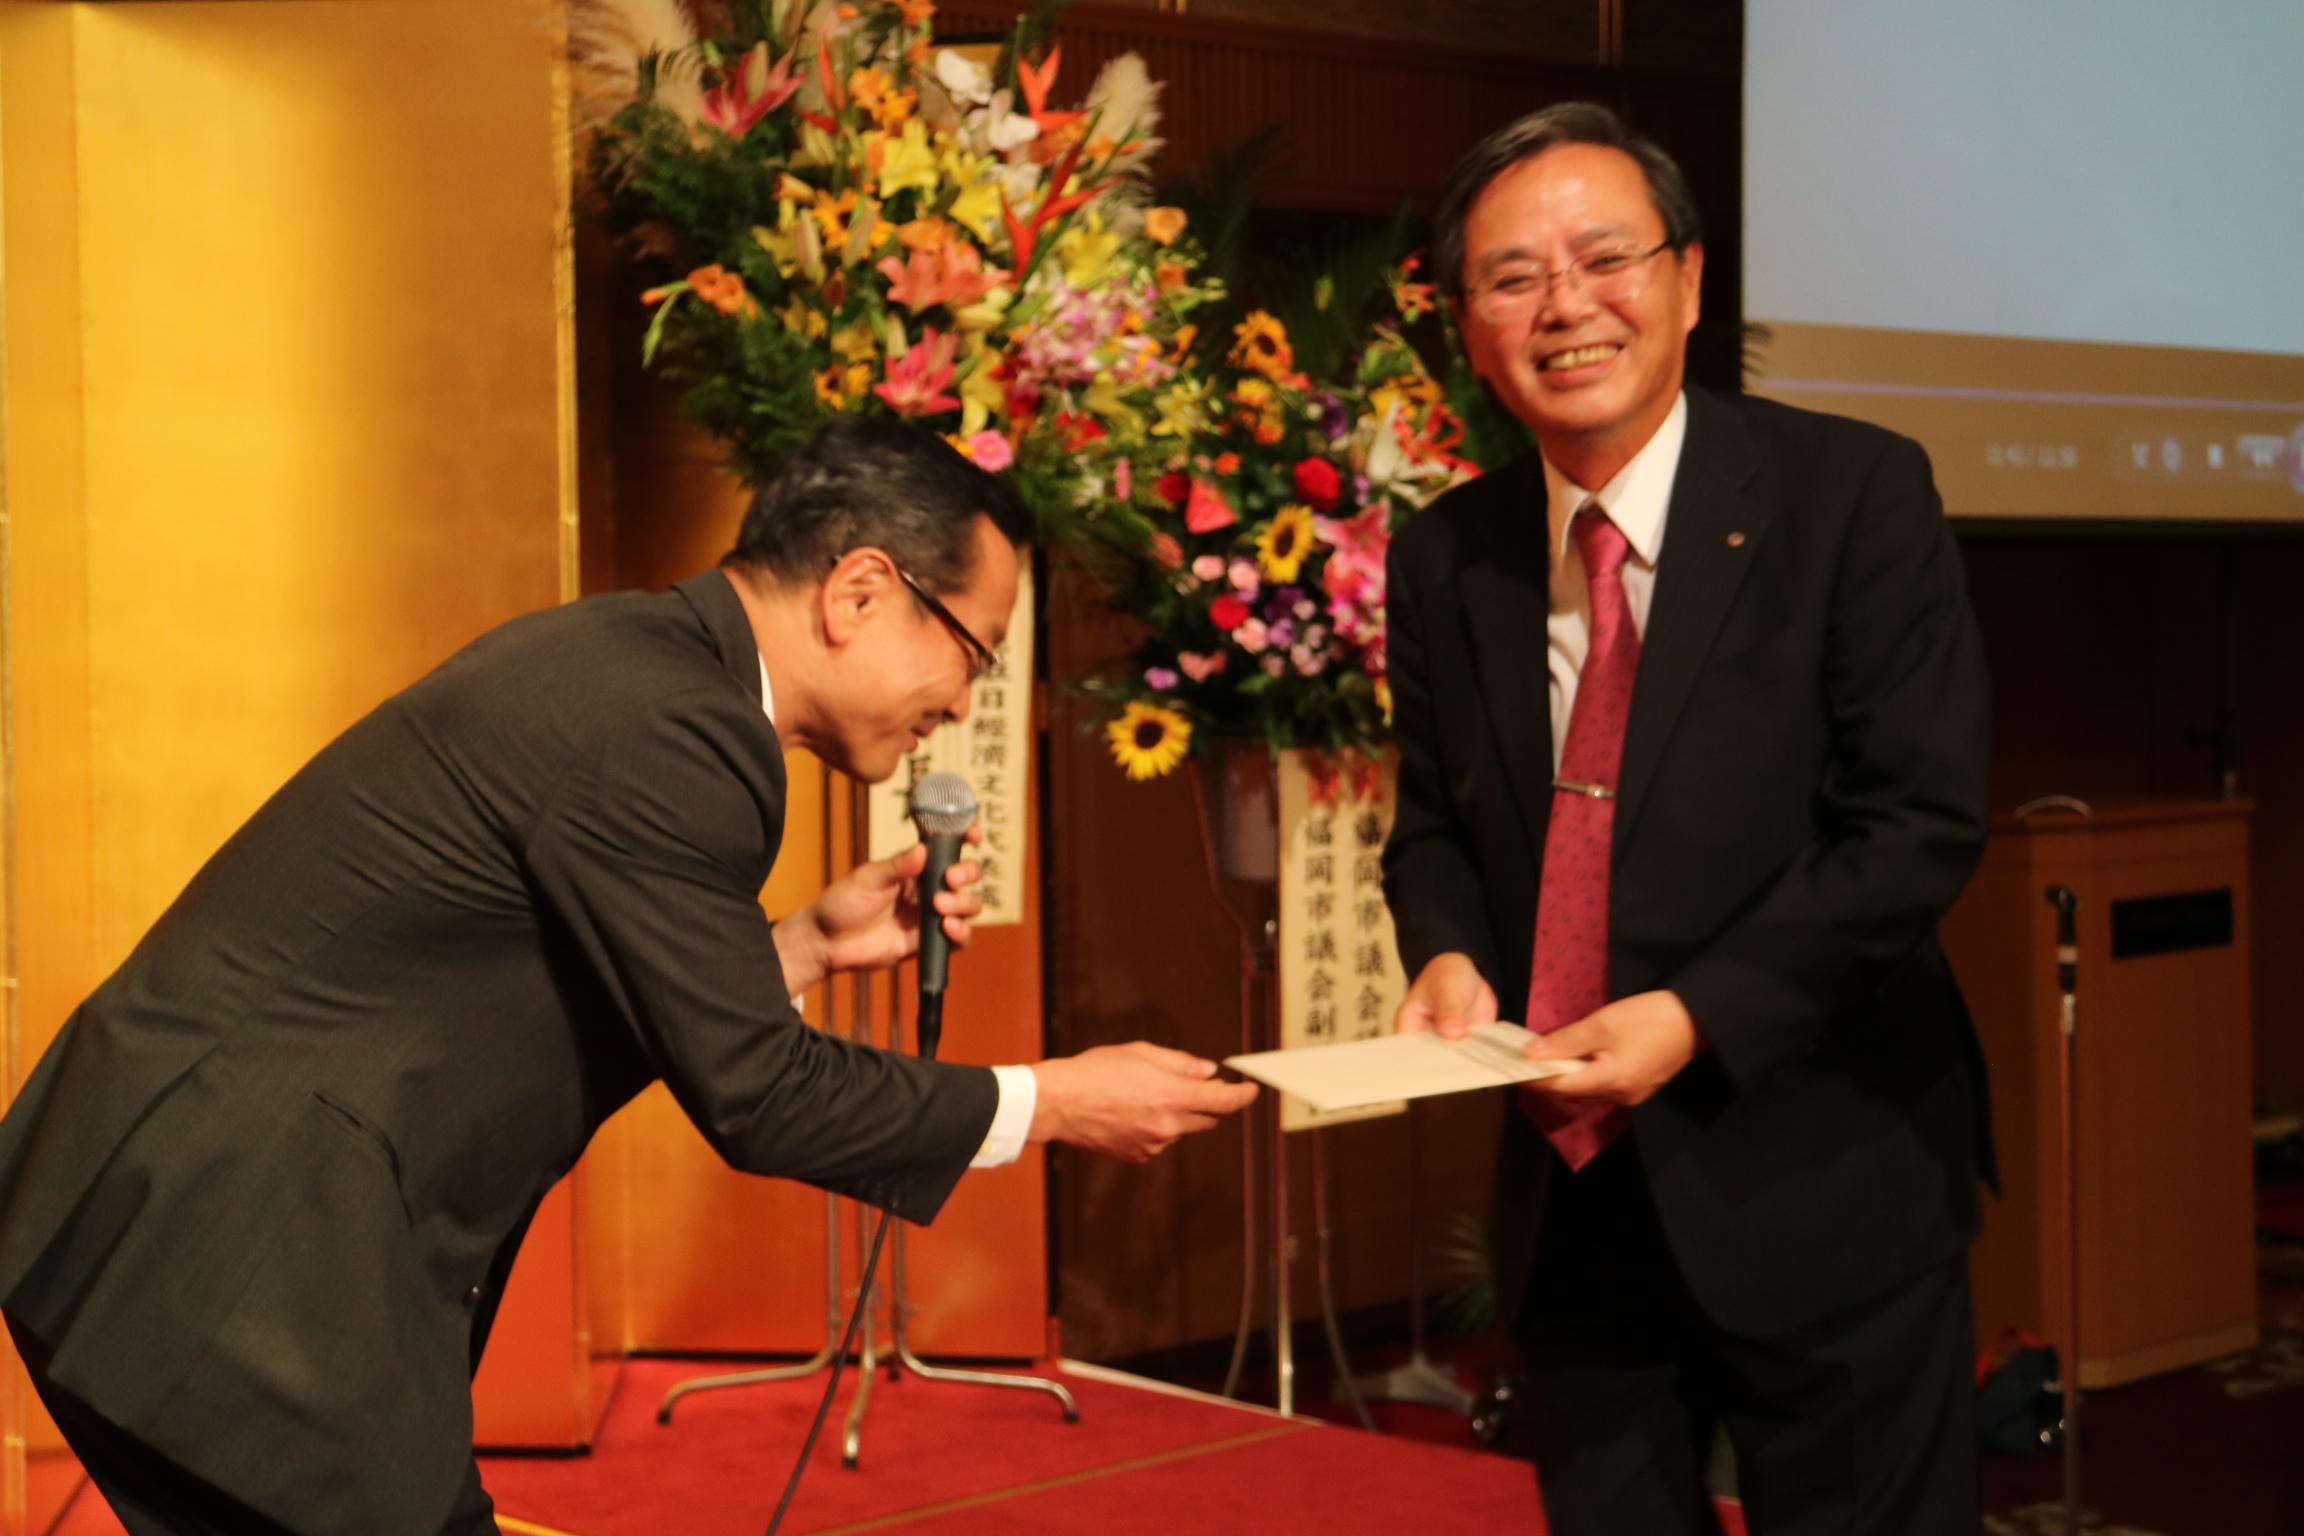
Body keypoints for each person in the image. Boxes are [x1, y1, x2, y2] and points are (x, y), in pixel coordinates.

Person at [0, 415, 1256, 1536]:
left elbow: (541, 980)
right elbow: (757, 1096)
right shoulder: (685, 727)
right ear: (862, 590)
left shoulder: (638, 660)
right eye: (973, 654)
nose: (961, 701)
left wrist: (806, 946)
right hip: (234, 1247)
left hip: (180, 1210)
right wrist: (1049, 1103)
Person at [1384, 104, 1993, 1533]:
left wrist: (1697, 1016)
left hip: (1819, 1168)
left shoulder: (1850, 493)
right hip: (1576, 1201)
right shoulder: (1444, 553)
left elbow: (1914, 825)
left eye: (1605, 257)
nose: (1566, 306)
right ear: (1469, 325)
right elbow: (1430, 825)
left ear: (1689, 281)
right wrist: (1449, 951)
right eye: (1514, 277)